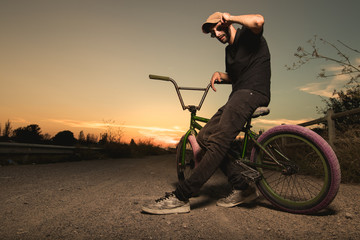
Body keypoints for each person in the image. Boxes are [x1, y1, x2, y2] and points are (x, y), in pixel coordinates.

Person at [142, 12, 271, 215]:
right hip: (238, 95)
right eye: (213, 33)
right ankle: (243, 188)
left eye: (218, 29)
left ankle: (181, 197)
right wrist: (221, 75)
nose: (217, 35)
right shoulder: (230, 51)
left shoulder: (248, 34)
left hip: (254, 93)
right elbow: (238, 76)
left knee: (220, 140)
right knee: (203, 138)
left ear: (226, 23)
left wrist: (232, 17)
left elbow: (259, 20)